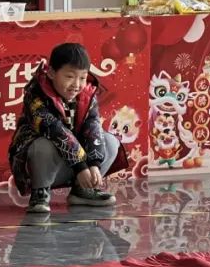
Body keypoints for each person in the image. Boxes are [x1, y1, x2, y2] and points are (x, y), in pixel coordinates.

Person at [8, 43, 127, 213]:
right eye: (70, 76)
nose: (76, 84)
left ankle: (82, 190)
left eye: (82, 78)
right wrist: (80, 166)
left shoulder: (87, 94)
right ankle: (40, 193)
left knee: (109, 141)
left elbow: (92, 126)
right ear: (51, 73)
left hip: (76, 165)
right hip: (43, 165)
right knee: (43, 145)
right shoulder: (35, 94)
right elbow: (54, 129)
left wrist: (94, 164)